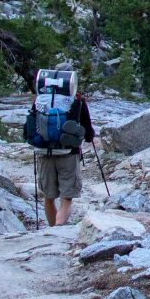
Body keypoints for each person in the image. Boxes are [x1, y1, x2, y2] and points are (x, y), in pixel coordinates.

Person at [33, 86, 96, 228]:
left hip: (44, 152)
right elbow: (87, 131)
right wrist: (88, 136)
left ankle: (51, 229)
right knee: (66, 197)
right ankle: (58, 230)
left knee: (49, 197)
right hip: (68, 153)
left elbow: (30, 126)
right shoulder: (77, 100)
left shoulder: (40, 99)